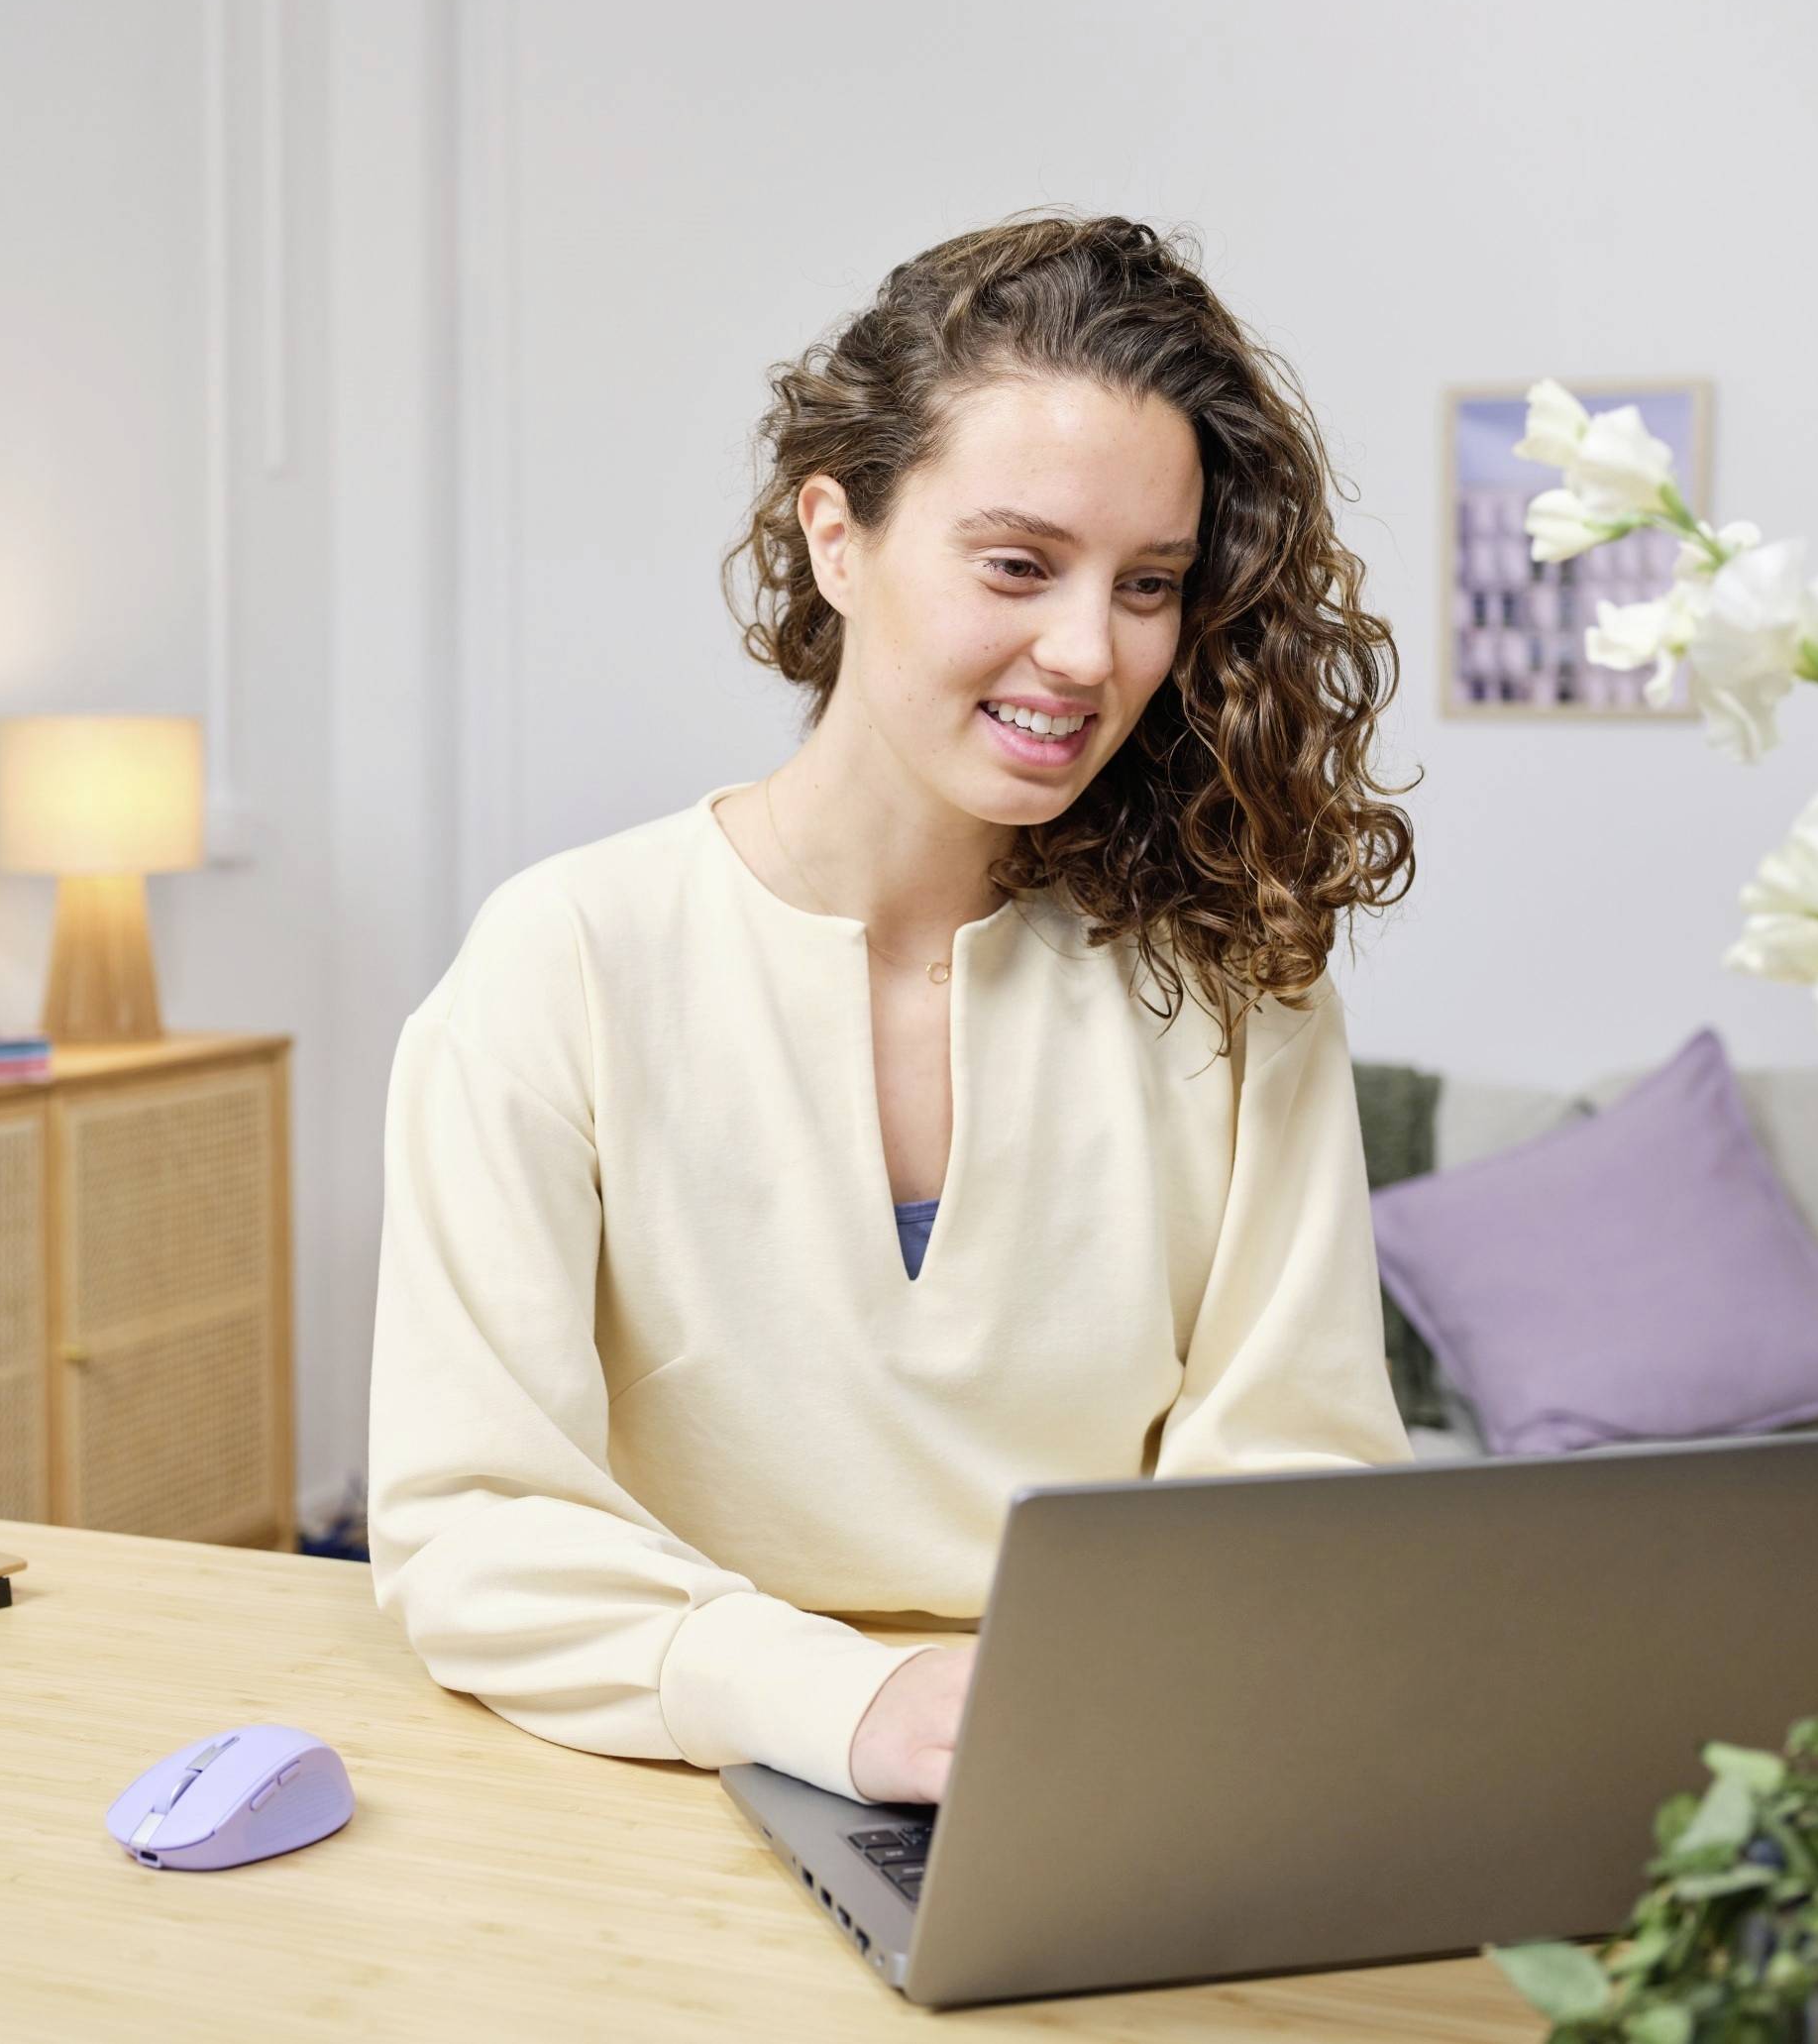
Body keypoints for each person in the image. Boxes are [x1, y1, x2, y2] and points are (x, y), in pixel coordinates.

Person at [365, 210, 1419, 1810]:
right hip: (658, 1772)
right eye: (1017, 563)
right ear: (837, 536)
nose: (1086, 652)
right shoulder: (564, 957)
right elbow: (471, 1522)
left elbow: (1300, 1467)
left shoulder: (1231, 974)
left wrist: (1097, 1715)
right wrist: (842, 1698)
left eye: (1149, 584)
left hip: (1096, 1770)